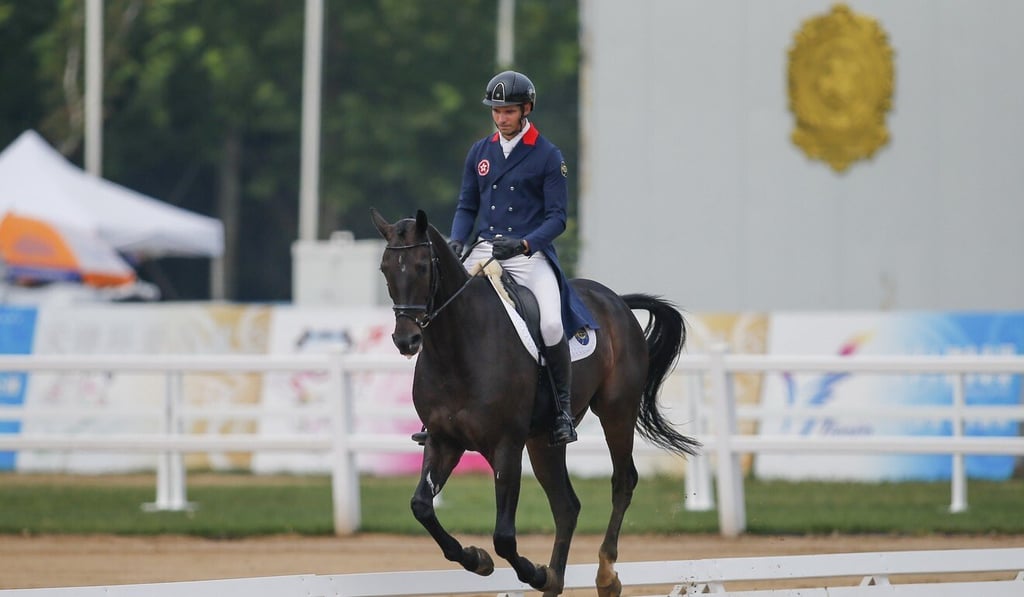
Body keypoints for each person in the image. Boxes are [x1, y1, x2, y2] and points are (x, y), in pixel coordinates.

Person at [444, 70, 598, 447]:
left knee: (549, 325)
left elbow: (557, 218)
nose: (501, 118)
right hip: (484, 250)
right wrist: (457, 241)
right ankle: (441, 407)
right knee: (445, 308)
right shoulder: (480, 152)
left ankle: (562, 411)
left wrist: (526, 244)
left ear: (526, 109)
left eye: (508, 111)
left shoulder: (547, 155)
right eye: (496, 111)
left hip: (529, 255)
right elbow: (467, 205)